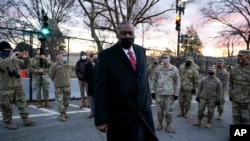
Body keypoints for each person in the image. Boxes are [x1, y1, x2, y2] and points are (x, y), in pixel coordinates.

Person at [94, 21, 159, 141]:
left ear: (134, 34)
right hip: (120, 116)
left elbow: (143, 79)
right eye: (123, 33)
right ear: (118, 35)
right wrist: (101, 119)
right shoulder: (106, 56)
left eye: (130, 33)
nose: (127, 36)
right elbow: (100, 89)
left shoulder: (141, 51)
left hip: (143, 114)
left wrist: (148, 101)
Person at [0, 41, 36, 130]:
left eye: (9, 49)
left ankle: (25, 119)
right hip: (5, 87)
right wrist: (11, 57)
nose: (8, 51)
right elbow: (2, 66)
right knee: (6, 106)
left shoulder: (15, 59)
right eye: (6, 50)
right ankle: (8, 122)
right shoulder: (2, 59)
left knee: (22, 104)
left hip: (18, 86)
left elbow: (23, 65)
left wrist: (26, 58)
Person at [151, 53, 180, 133]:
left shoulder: (174, 69)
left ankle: (168, 124)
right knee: (159, 111)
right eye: (163, 58)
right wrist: (152, 91)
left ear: (169, 59)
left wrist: (176, 94)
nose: (164, 59)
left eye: (166, 58)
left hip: (169, 94)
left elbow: (177, 82)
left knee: (169, 111)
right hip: (159, 94)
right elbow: (153, 80)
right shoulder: (158, 69)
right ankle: (160, 123)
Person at [49, 50, 71, 122]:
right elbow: (51, 75)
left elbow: (69, 73)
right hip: (59, 87)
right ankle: (62, 114)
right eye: (63, 55)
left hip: (67, 86)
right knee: (60, 101)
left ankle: (64, 111)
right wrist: (56, 81)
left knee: (66, 101)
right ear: (58, 56)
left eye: (65, 55)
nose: (64, 57)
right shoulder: (54, 65)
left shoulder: (67, 64)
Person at [229, 50, 250, 125]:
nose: (239, 58)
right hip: (236, 99)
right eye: (238, 56)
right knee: (236, 118)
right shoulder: (234, 68)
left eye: (241, 56)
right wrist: (231, 94)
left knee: (246, 120)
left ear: (248, 57)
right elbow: (231, 82)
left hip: (247, 101)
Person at [84, 53, 97, 119]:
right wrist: (89, 81)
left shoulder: (99, 64)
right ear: (91, 58)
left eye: (96, 58)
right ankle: (92, 112)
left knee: (97, 99)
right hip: (91, 84)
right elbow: (85, 75)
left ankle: (97, 113)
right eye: (94, 58)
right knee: (91, 99)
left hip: (98, 84)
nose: (95, 59)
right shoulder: (87, 65)